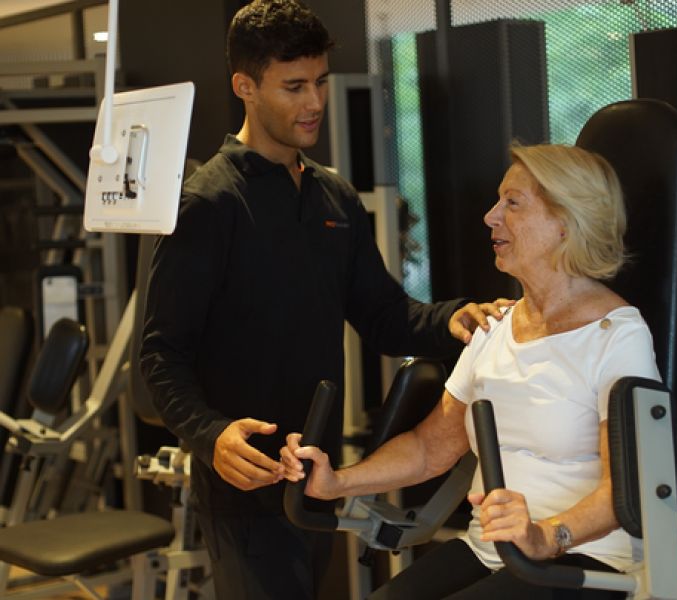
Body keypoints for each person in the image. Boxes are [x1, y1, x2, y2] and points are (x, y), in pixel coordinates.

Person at [139, 1, 508, 599]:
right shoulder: (209, 205)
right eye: (293, 87)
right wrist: (210, 435)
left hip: (317, 474)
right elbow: (160, 356)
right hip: (246, 484)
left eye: (319, 83)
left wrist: (453, 319)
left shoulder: (333, 196)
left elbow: (387, 318)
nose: (314, 102)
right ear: (245, 87)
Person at [282, 143, 661, 600]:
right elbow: (429, 449)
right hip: (490, 549)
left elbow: (626, 488)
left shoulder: (616, 336)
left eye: (513, 203)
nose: (490, 216)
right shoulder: (495, 325)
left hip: (589, 560)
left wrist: (547, 536)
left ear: (565, 223)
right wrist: (337, 481)